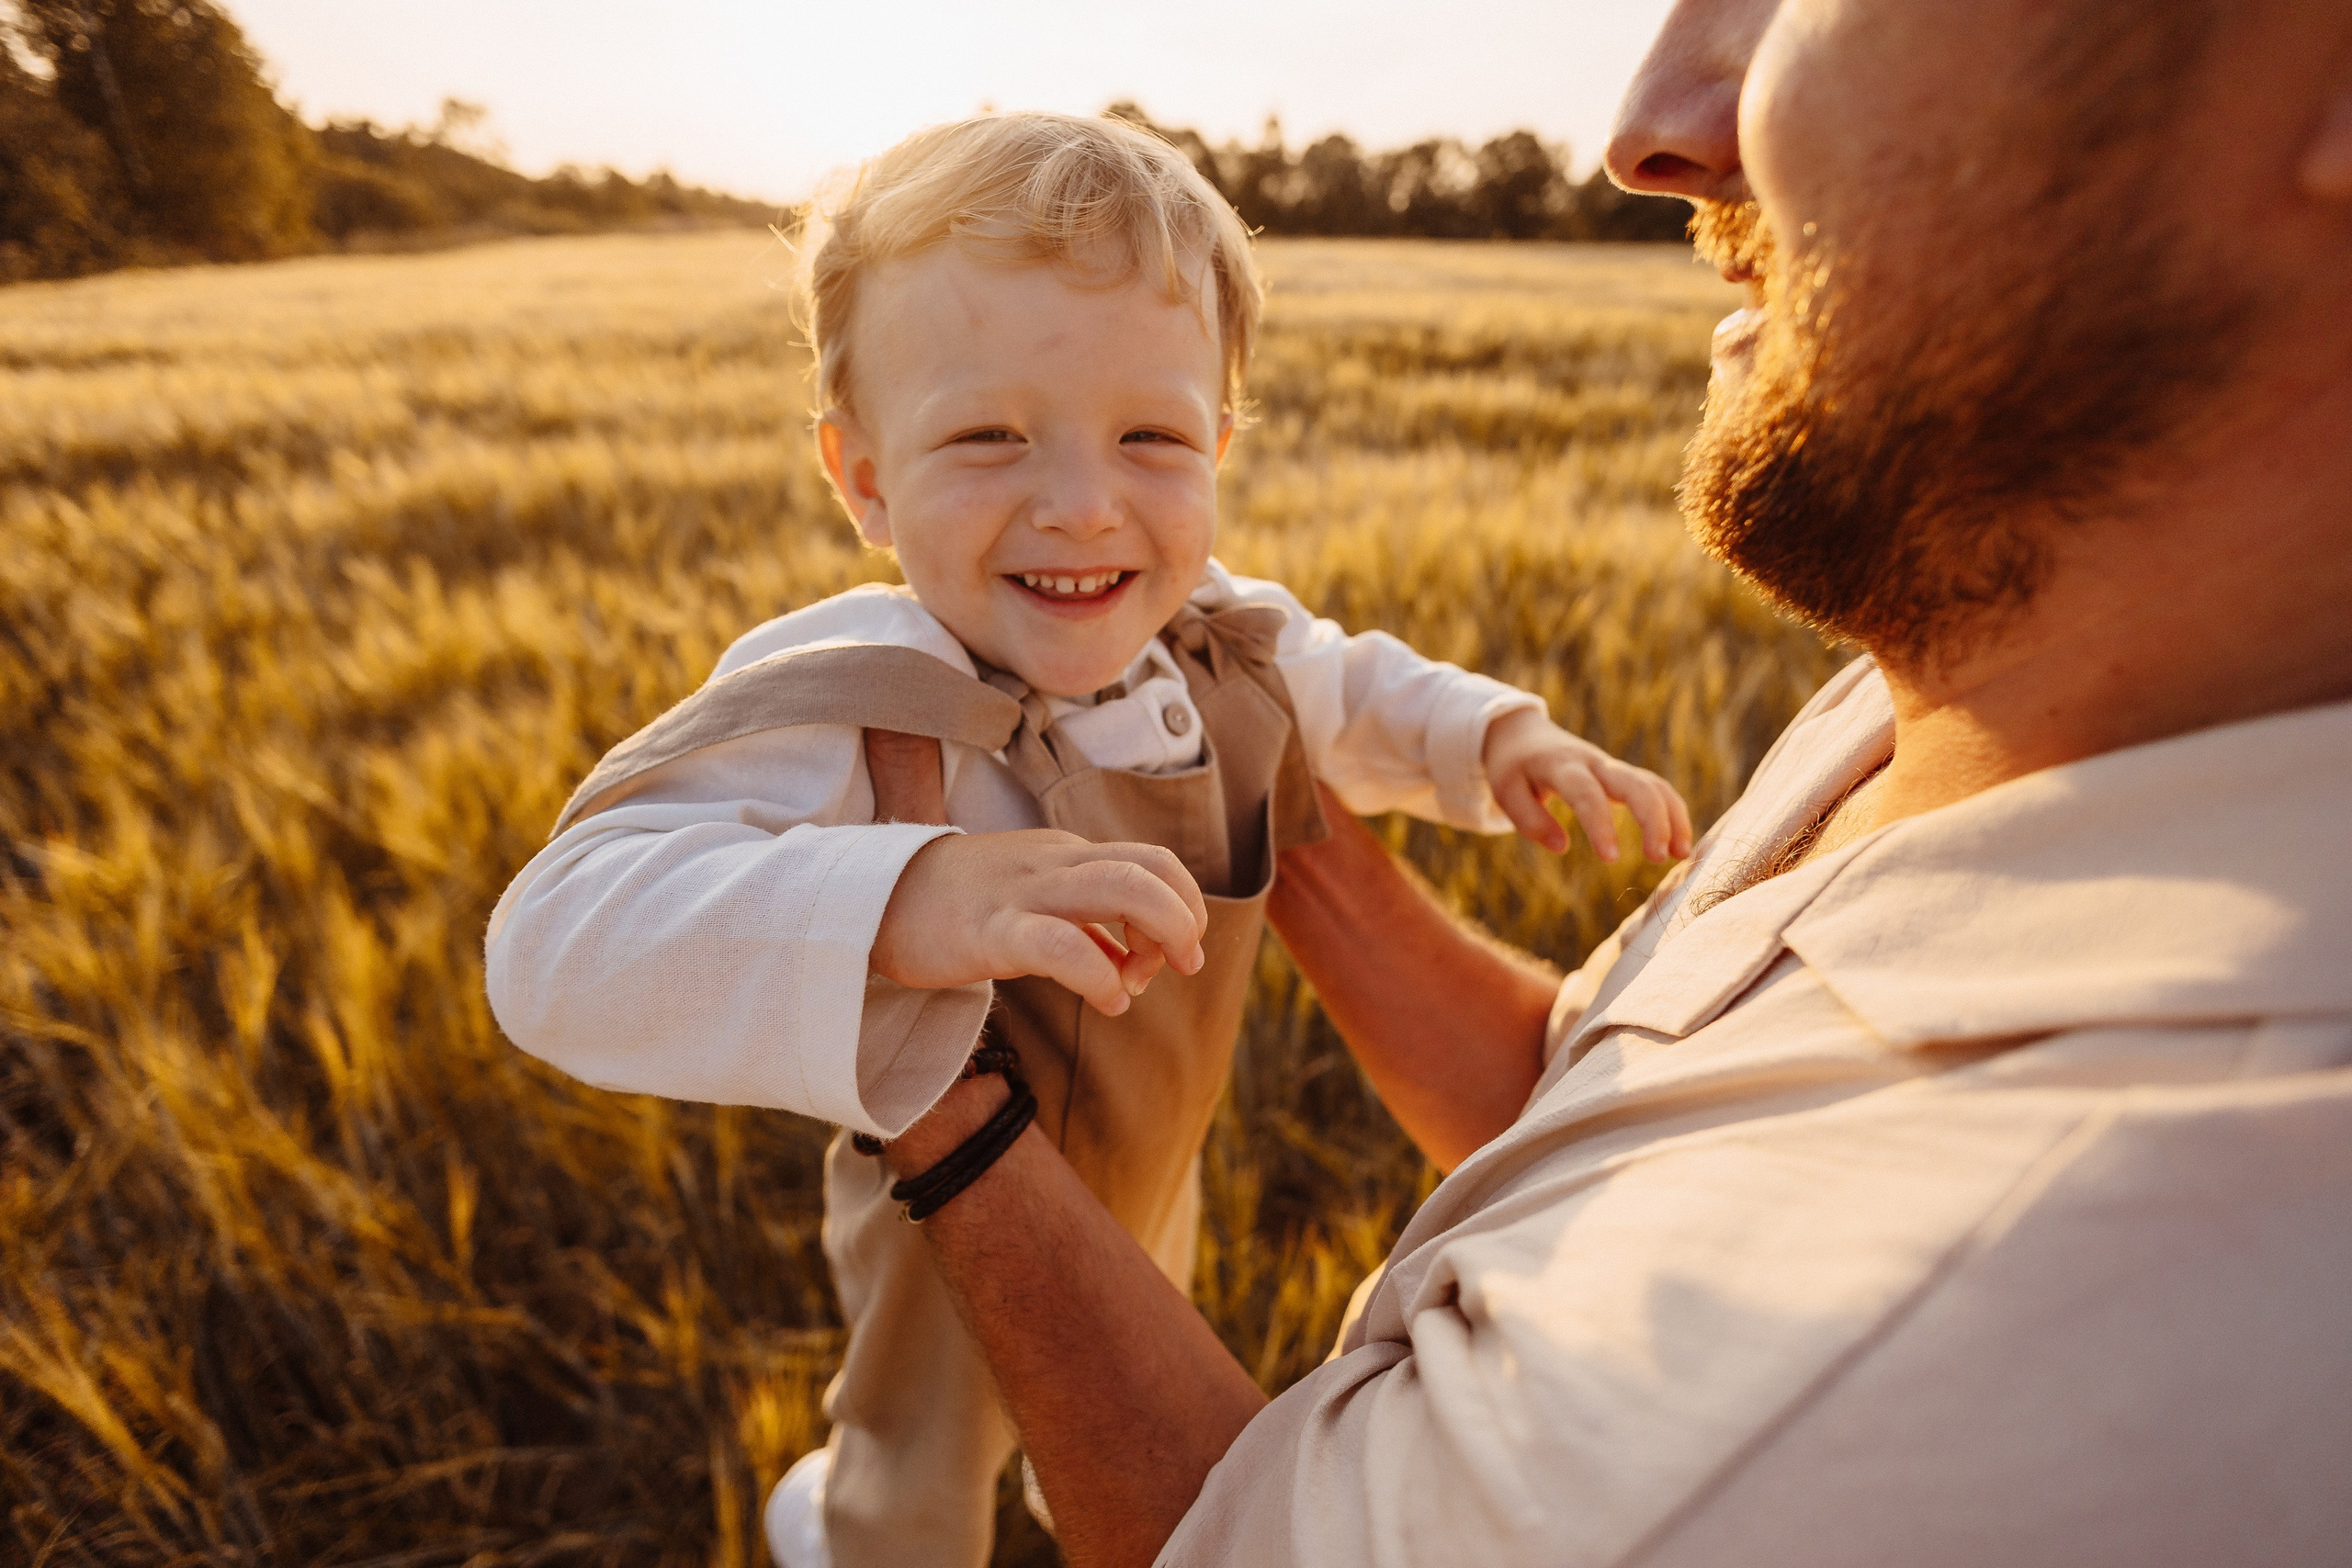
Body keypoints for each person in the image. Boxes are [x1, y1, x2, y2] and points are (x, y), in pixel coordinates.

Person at [841, 2, 2352, 1564]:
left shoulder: (1914, 1372)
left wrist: (933, 1080)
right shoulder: (2012, 664)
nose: (1646, 129)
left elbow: (1220, 1545)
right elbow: (1600, 1106)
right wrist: (1247, 772)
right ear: (860, 473)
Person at [481, 112, 1690, 1568]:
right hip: (945, 1217)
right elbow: (555, 936)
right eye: (988, 436)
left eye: (1151, 438)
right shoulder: (859, 686)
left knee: (1136, 1400)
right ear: (863, 477)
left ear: (1221, 446)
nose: (1079, 503)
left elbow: (1353, 690)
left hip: (1155, 1160)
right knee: (923, 1458)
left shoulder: (1217, 643)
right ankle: (848, 1534)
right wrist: (904, 895)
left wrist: (1497, 739)